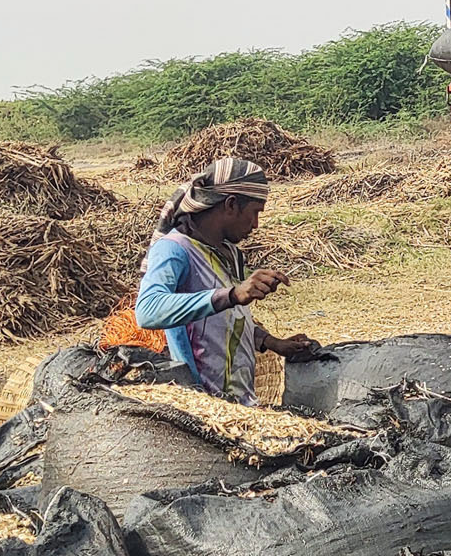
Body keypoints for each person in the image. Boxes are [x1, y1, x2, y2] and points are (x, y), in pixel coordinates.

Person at [134, 156, 318, 404]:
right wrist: (232, 294)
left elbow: (225, 319)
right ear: (231, 205)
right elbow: (147, 311)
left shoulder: (227, 252)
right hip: (204, 405)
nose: (255, 225)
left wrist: (271, 342)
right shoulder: (174, 250)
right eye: (254, 213)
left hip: (238, 404)